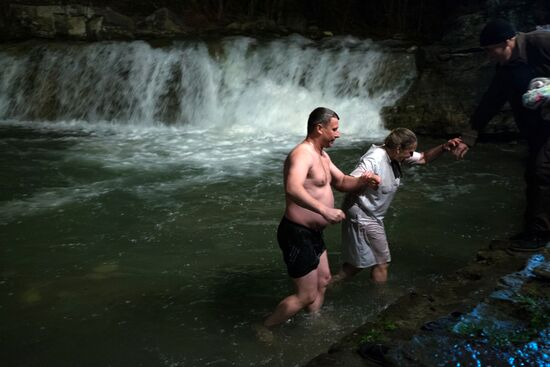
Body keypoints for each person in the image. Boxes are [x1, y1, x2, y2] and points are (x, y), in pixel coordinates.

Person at [263, 107, 381, 328]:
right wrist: (324, 211)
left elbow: (344, 182)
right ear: (319, 128)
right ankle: (264, 327)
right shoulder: (301, 154)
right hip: (296, 233)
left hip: (313, 233)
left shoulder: (323, 156)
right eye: (334, 129)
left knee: (324, 280)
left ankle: (312, 322)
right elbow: (292, 188)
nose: (338, 134)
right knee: (305, 295)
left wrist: (365, 180)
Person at [452, 19, 550, 251]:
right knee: (533, 174)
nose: (489, 56)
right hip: (537, 126)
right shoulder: (506, 67)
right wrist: (469, 137)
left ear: (508, 41)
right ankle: (532, 230)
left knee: (542, 169)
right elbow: (491, 101)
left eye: (490, 50)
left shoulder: (542, 42)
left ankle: (539, 234)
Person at [334, 128, 461, 283]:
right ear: (399, 148)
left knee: (356, 266)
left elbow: (423, 158)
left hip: (370, 214)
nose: (411, 155)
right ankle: (381, 302)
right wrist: (364, 179)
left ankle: (326, 285)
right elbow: (346, 182)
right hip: (363, 214)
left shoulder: (396, 155)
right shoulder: (374, 159)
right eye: (410, 151)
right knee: (382, 262)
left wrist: (444, 147)